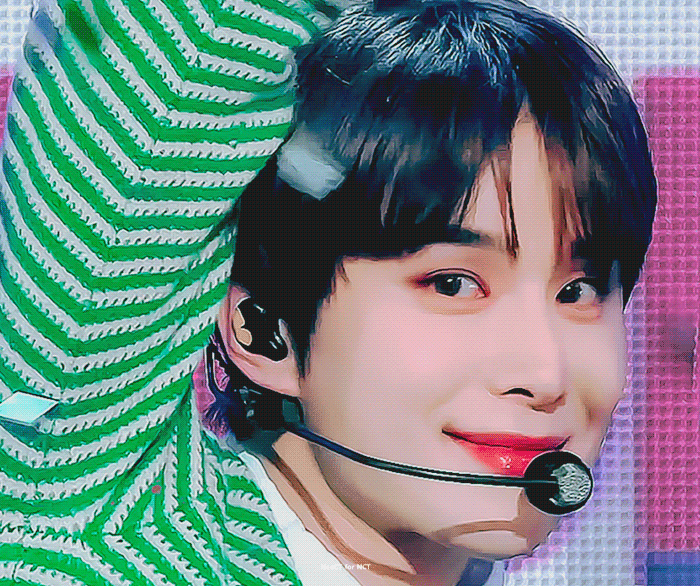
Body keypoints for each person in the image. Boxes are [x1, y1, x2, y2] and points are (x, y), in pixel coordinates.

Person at [0, 1, 655, 586]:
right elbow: (170, 66)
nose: (544, 375)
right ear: (263, 329)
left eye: (579, 290)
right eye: (454, 284)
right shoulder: (103, 526)